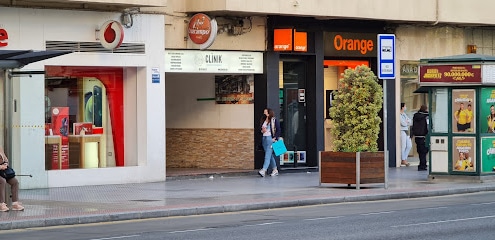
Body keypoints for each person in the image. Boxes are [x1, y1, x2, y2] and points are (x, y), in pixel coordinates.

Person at [259, 108, 281, 177]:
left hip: (270, 139)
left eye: (265, 112)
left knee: (267, 156)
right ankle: (275, 169)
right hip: (264, 138)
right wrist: (262, 131)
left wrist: (275, 138)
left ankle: (264, 170)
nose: (264, 113)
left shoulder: (273, 120)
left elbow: (278, 129)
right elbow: (261, 129)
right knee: (269, 155)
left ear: (269, 113)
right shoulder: (263, 120)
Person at [412, 105, 429, 171]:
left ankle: (421, 164)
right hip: (423, 136)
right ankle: (423, 165)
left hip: (417, 136)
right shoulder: (426, 116)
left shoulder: (415, 115)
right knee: (424, 151)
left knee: (420, 151)